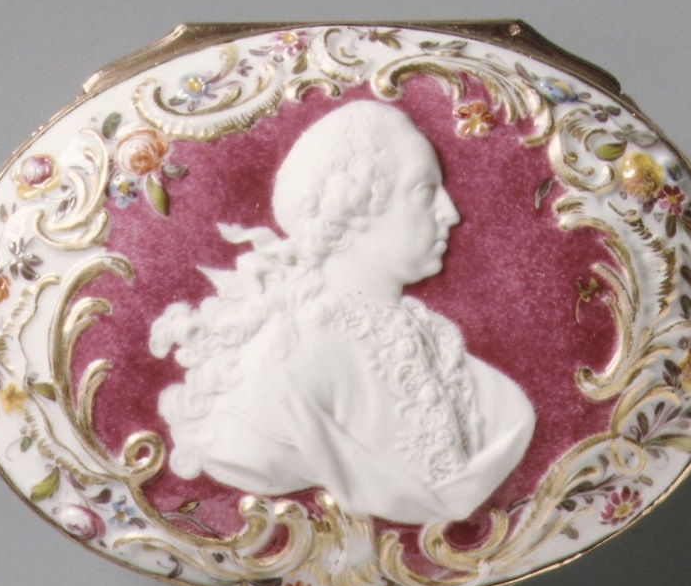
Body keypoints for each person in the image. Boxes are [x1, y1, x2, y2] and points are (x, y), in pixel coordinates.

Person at [150, 101, 535, 524]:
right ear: (352, 208)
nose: (451, 213)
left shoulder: (438, 345)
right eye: (425, 191)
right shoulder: (286, 362)